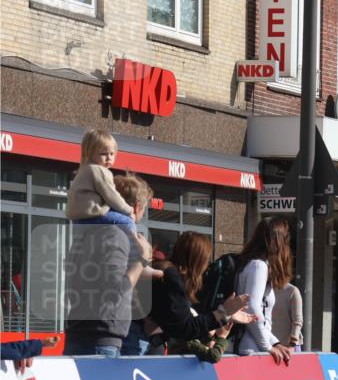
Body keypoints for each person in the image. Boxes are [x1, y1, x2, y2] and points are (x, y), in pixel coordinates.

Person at [63, 173, 155, 357]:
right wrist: (142, 259)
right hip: (100, 340)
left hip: (81, 334)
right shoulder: (115, 234)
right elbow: (116, 290)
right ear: (136, 207)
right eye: (144, 208)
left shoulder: (88, 232)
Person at [66, 130, 162, 281]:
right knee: (126, 221)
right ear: (90, 153)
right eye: (104, 154)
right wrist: (128, 210)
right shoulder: (100, 171)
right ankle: (138, 260)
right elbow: (111, 195)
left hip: (80, 219)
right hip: (93, 214)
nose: (109, 158)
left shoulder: (83, 170)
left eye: (112, 154)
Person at [149, 232, 256, 358]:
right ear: (197, 260)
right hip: (145, 344)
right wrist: (224, 312)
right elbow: (186, 328)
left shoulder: (169, 273)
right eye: (206, 259)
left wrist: (226, 315)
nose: (207, 265)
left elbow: (185, 324)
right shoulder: (171, 278)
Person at [235, 217, 295, 365]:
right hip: (251, 349)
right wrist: (267, 346)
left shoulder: (250, 263)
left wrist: (274, 343)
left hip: (252, 346)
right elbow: (252, 307)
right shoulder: (259, 266)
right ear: (279, 241)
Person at [271, 282, 304, 351]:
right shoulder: (265, 290)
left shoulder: (292, 290)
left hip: (289, 346)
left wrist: (292, 345)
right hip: (272, 345)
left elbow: (298, 321)